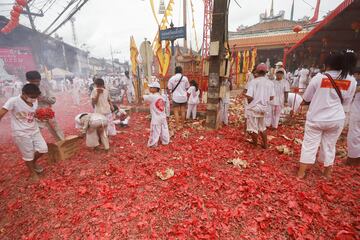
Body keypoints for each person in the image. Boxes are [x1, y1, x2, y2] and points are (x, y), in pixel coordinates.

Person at [298, 50, 357, 179]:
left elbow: (307, 98)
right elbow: (347, 101)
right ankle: (327, 174)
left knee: (309, 144)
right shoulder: (351, 80)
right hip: (336, 118)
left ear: (328, 64)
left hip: (316, 118)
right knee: (330, 145)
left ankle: (301, 173)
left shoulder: (319, 78)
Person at [0, 84, 48, 180]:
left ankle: (32, 163)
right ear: (24, 94)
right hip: (21, 133)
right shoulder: (13, 101)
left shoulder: (34, 101)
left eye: (35, 97)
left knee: (43, 149)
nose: (34, 99)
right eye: (32, 97)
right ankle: (32, 173)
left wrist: (40, 116)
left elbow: (32, 114)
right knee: (28, 154)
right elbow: (2, 112)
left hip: (34, 130)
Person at [26, 71, 65, 141]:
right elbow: (23, 103)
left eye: (38, 81)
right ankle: (36, 149)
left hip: (48, 113)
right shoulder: (25, 89)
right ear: (28, 80)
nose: (36, 83)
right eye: (33, 81)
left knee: (56, 130)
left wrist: (43, 98)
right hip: (35, 116)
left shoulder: (45, 86)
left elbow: (53, 100)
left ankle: (63, 145)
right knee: (33, 133)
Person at [245, 63, 275, 149]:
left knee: (253, 127)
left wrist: (251, 102)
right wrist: (263, 99)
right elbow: (272, 97)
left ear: (257, 71)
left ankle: (255, 145)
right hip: (264, 107)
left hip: (254, 108)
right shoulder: (270, 83)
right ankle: (265, 145)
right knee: (262, 126)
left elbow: (249, 96)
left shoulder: (253, 82)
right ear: (266, 72)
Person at [143, 82, 170, 147]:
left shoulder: (152, 96)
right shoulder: (163, 96)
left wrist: (145, 90)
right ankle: (165, 141)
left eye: (151, 87)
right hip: (163, 116)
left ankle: (153, 144)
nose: (149, 88)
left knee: (155, 131)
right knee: (164, 129)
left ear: (155, 89)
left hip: (156, 117)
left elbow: (143, 97)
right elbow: (167, 106)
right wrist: (167, 115)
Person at [168, 66, 190, 130]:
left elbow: (169, 88)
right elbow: (187, 87)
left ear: (175, 71)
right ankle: (182, 125)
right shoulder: (185, 78)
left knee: (176, 111)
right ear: (181, 71)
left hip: (176, 97)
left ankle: (177, 126)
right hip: (184, 97)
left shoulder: (172, 78)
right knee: (183, 111)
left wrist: (170, 96)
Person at [347, 67, 360, 166]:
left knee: (354, 134)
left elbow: (351, 92)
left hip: (357, 112)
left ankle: (353, 159)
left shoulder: (357, 84)